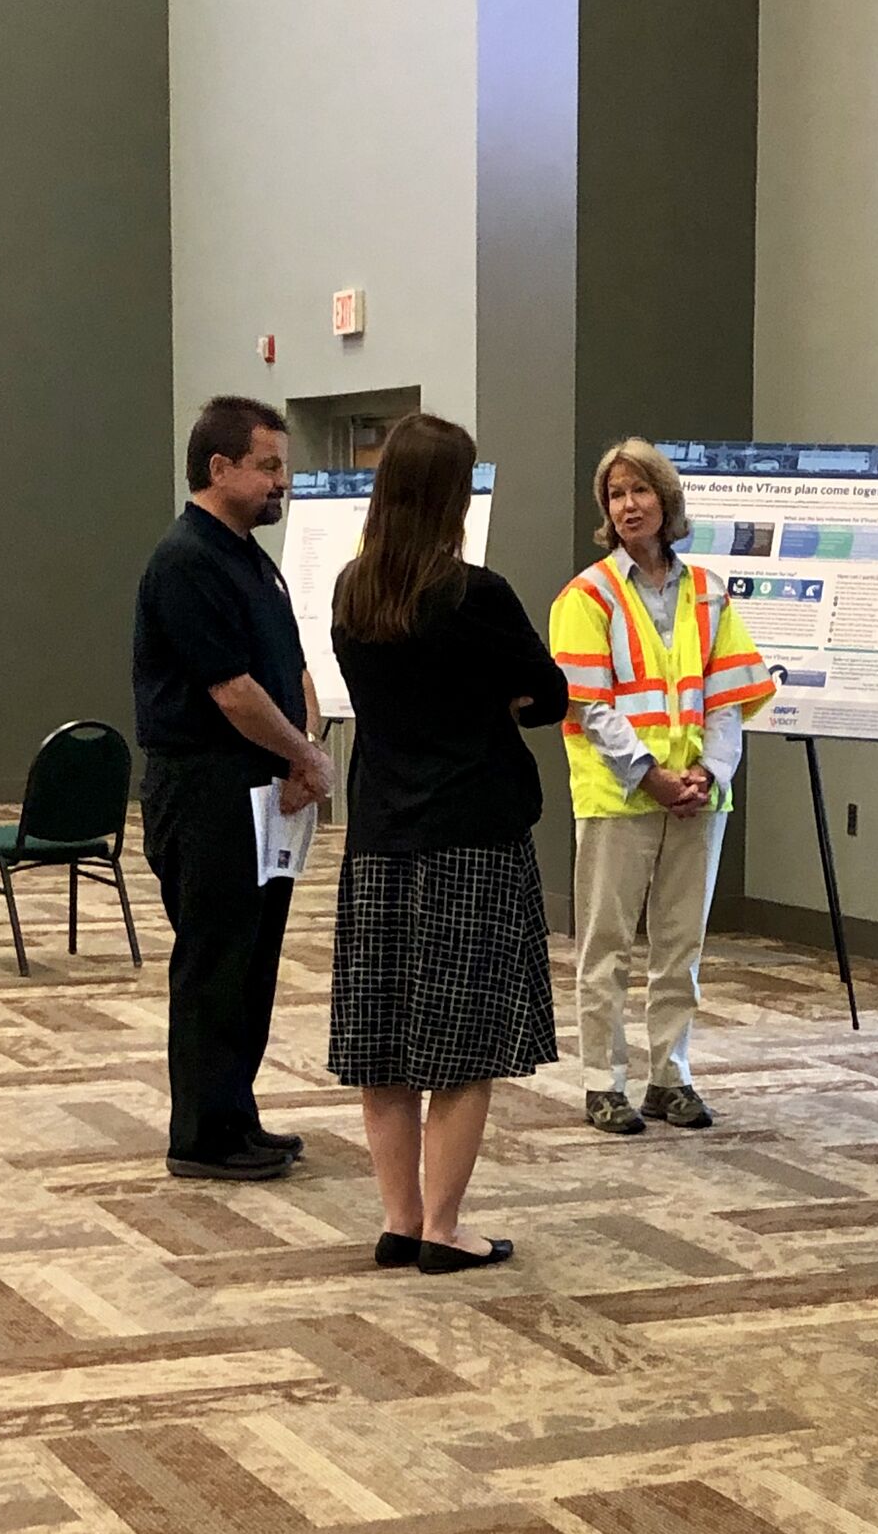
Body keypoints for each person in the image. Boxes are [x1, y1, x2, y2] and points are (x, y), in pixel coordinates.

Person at [329, 412, 565, 1274]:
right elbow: (547, 694)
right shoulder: (477, 595)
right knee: (465, 1050)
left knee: (384, 1041)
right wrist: (492, 701)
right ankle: (444, 1228)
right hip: (471, 836)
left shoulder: (352, 592)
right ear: (451, 497)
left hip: (380, 837)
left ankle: (398, 1220)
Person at [134, 395, 334, 1181]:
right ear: (220, 468)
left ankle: (235, 1116)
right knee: (214, 963)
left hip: (261, 789)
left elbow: (290, 667)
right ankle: (201, 1137)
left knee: (251, 961)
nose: (283, 482)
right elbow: (232, 691)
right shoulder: (187, 559)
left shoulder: (250, 558)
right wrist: (305, 757)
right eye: (269, 466)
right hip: (206, 790)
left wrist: (303, 752)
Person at [550, 438, 775, 1135]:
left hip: (698, 798)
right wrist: (652, 776)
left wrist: (707, 773)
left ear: (665, 498)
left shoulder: (708, 591)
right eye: (615, 494)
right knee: (607, 946)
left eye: (639, 490)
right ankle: (602, 1082)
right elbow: (588, 704)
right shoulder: (587, 595)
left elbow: (729, 699)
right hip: (619, 796)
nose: (628, 506)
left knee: (681, 946)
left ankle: (669, 1077)